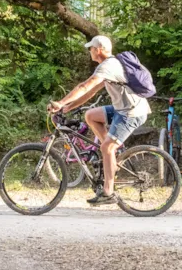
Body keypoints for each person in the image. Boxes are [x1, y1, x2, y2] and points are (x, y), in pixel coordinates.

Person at [47, 35, 150, 205]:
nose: (89, 51)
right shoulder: (109, 65)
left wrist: (60, 102)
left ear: (98, 49)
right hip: (121, 109)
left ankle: (108, 192)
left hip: (132, 112)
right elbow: (90, 92)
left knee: (106, 147)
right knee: (90, 116)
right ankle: (111, 155)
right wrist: (67, 107)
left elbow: (84, 86)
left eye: (91, 48)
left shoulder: (109, 65)